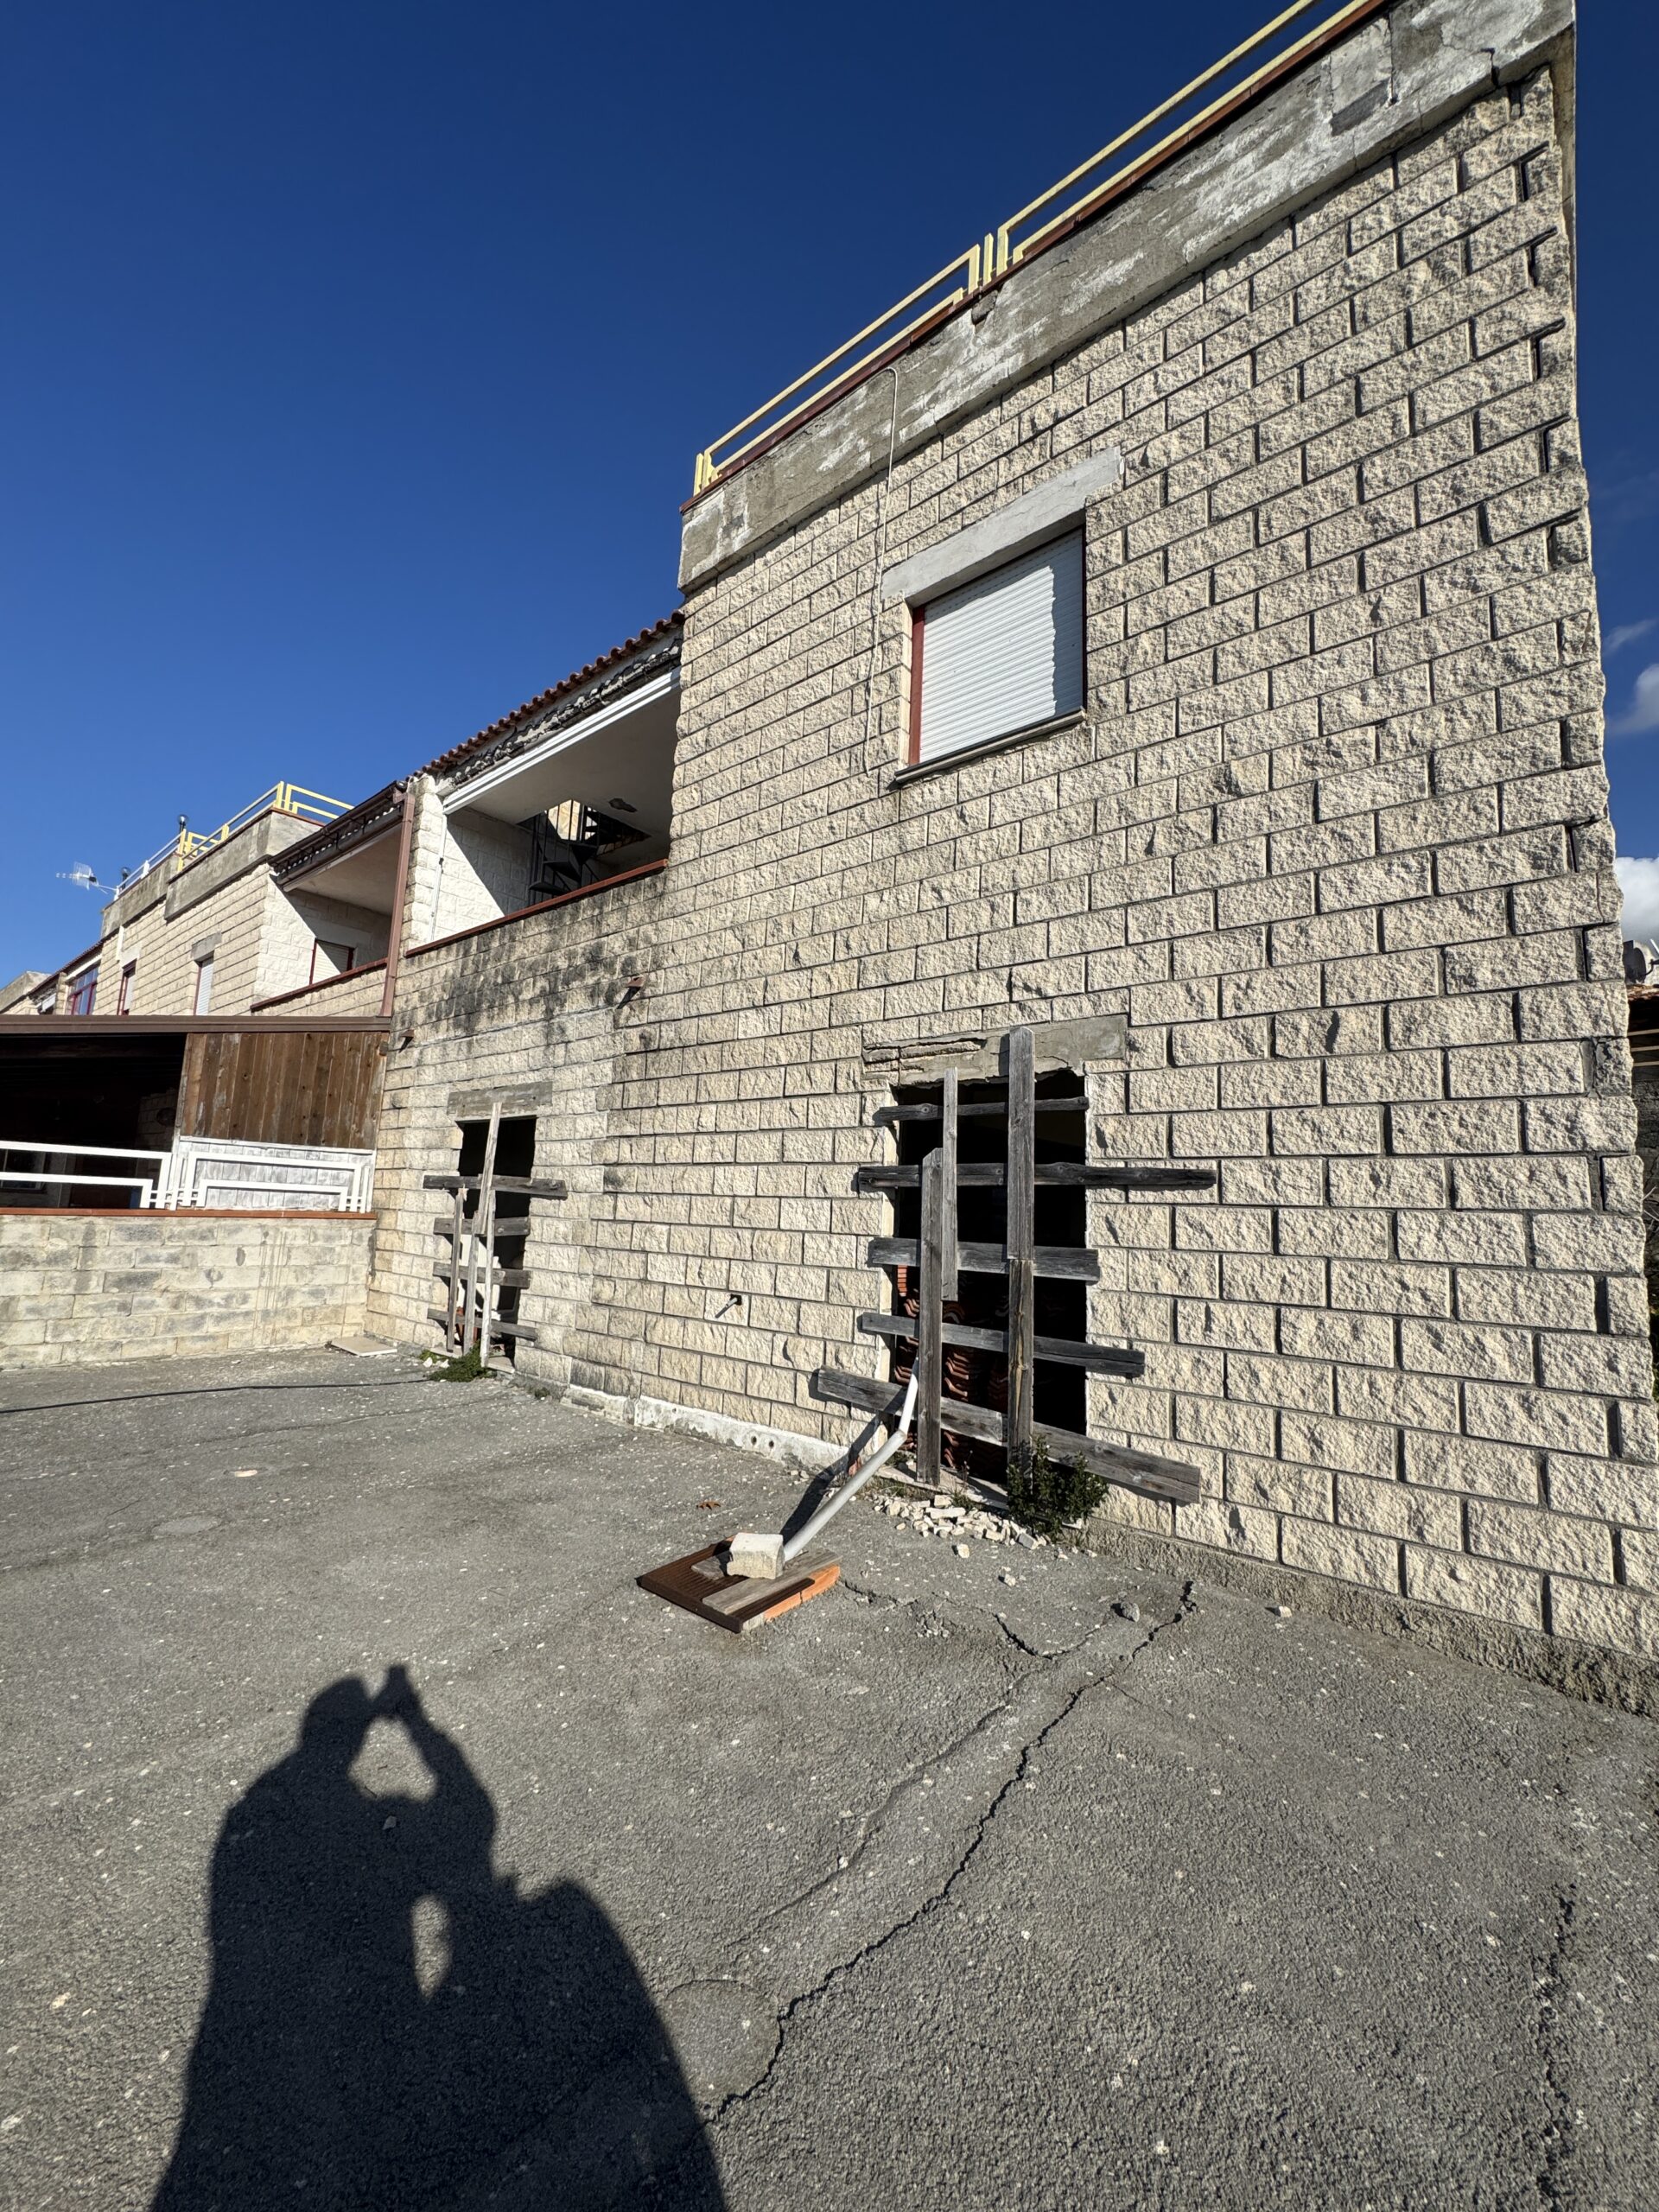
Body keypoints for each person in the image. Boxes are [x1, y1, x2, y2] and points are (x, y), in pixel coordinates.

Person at [153, 1668, 722, 2209]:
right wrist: (415, 1722)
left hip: (270, 2058)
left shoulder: (254, 1813)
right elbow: (469, 1806)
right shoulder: (282, 1814)